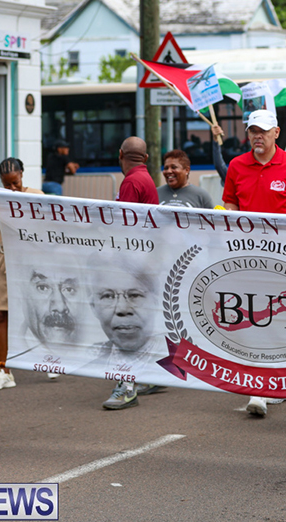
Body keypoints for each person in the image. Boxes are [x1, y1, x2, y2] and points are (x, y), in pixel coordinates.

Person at [222, 109, 286, 416]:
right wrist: (240, 224)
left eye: (262, 131)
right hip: (245, 256)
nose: (256, 136)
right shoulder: (237, 165)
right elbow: (230, 202)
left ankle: (273, 381)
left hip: (284, 257)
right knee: (251, 316)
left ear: (277, 133)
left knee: (279, 318)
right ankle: (259, 386)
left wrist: (277, 227)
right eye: (252, 131)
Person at [101, 137, 165, 409]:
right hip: (143, 262)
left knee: (126, 325)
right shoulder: (146, 179)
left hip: (131, 266)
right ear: (147, 158)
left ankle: (126, 387)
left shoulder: (131, 182)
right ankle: (148, 376)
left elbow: (124, 228)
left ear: (120, 155)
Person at [0, 158, 44, 391]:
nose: (11, 188)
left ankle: (49, 359)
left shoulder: (37, 196)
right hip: (3, 261)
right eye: (6, 184)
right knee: (0, 316)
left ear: (22, 175)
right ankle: (4, 370)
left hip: (33, 261)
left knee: (41, 311)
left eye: (15, 182)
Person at [117, 137, 159, 205]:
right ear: (145, 158)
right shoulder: (143, 177)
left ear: (121, 154)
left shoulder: (131, 182)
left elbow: (125, 214)